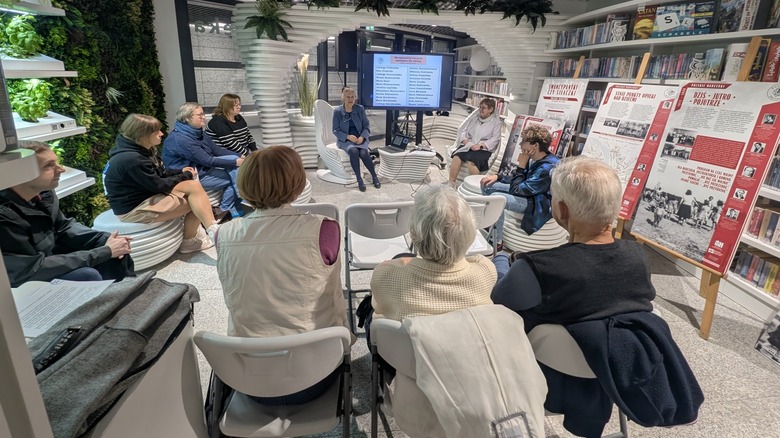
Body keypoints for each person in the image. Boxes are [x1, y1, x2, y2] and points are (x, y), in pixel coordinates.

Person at [216, 145, 348, 405]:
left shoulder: (223, 234)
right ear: (298, 184)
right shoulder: (324, 229)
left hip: (248, 379)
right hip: (315, 375)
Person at [491, 156, 655, 331]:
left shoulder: (536, 269)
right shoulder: (639, 257)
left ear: (562, 210)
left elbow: (498, 301)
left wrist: (501, 259)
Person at [0, 141, 134, 287]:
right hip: (25, 277)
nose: (61, 169)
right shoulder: (4, 216)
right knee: (88, 275)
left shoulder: (44, 193)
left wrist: (104, 241)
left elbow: (63, 226)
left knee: (110, 242)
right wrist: (102, 252)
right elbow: (29, 268)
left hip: (47, 258)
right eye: (49, 165)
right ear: (21, 175)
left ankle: (125, 293)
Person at [370, 185, 496, 323]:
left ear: (414, 233)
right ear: (470, 235)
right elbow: (473, 260)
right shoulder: (486, 270)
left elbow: (378, 307)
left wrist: (399, 263)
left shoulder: (385, 275)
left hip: (406, 343)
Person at [104, 114, 221, 254]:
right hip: (135, 208)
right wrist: (185, 175)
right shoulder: (132, 159)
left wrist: (181, 172)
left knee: (194, 187)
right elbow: (158, 185)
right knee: (196, 204)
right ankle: (192, 240)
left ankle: (211, 228)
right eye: (157, 131)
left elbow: (158, 172)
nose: (161, 133)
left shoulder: (139, 149)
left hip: (144, 194)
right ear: (143, 134)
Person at [480, 124, 560, 250]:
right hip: (529, 193)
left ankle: (496, 240)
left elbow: (518, 189)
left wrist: (521, 165)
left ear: (535, 146)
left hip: (537, 203)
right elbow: (522, 181)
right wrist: (498, 177)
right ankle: (492, 222)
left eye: (523, 141)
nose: (520, 144)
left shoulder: (547, 167)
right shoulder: (534, 157)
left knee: (497, 198)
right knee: (487, 185)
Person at [163, 102, 245, 218]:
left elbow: (216, 150)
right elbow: (208, 160)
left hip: (203, 169)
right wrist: (235, 161)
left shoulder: (198, 132)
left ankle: (235, 204)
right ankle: (226, 208)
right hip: (191, 175)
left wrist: (239, 155)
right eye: (199, 115)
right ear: (187, 118)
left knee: (235, 167)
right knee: (236, 177)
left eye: (203, 113)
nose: (203, 117)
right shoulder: (182, 139)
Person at [332, 87, 380, 192]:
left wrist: (362, 137)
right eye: (348, 97)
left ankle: (374, 176)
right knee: (354, 151)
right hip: (345, 140)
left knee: (363, 153)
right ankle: (359, 179)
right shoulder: (337, 111)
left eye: (352, 97)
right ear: (343, 98)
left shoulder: (360, 109)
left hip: (360, 137)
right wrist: (348, 137)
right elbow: (335, 130)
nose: (350, 99)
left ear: (355, 98)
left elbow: (366, 125)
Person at [448, 98, 502, 186]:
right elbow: (464, 131)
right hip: (469, 145)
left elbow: (495, 139)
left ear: (491, 110)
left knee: (472, 162)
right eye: (480, 107)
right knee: (457, 157)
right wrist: (465, 141)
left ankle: (475, 186)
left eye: (484, 108)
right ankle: (451, 183)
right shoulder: (474, 119)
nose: (481, 110)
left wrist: (480, 146)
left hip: (483, 149)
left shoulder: (496, 123)